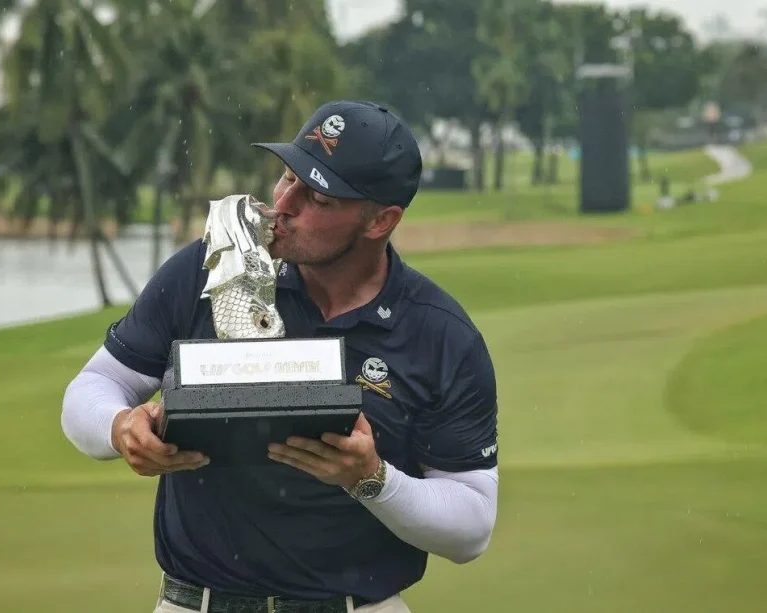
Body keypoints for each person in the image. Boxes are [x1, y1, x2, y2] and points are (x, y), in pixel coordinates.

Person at [61, 100, 500, 613]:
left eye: (317, 196)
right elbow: (88, 391)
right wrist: (120, 428)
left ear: (381, 220)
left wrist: (373, 480)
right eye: (286, 177)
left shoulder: (438, 333)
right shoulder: (207, 272)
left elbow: (470, 526)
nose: (284, 203)